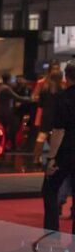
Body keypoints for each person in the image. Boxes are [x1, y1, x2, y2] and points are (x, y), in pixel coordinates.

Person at [42, 63, 75, 234]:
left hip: (66, 152)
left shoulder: (62, 98)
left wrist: (51, 158)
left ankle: (51, 235)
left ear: (66, 77)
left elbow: (59, 130)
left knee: (49, 189)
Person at [32, 65, 64, 161]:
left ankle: (36, 158)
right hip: (58, 115)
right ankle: (54, 158)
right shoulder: (61, 90)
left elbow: (40, 104)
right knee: (58, 138)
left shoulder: (45, 88)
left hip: (46, 115)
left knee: (41, 137)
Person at [0, 73, 30, 151]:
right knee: (13, 128)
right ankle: (9, 145)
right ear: (8, 79)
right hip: (7, 111)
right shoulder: (6, 88)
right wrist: (30, 98)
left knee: (5, 129)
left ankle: (8, 146)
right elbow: (17, 98)